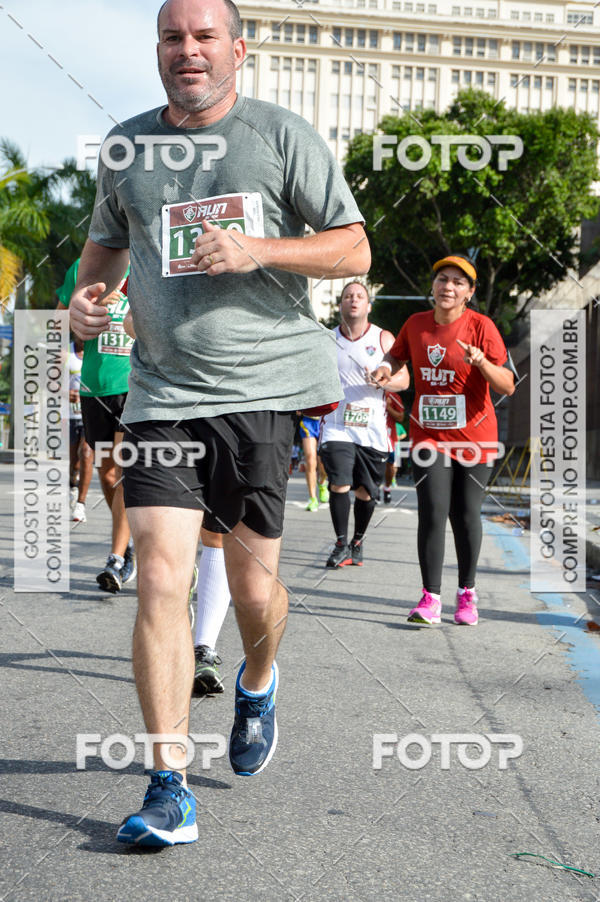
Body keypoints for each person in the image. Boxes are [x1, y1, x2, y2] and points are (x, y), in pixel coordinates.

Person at [69, 0, 370, 849]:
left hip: (264, 391)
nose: (188, 51)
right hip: (163, 392)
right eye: (173, 37)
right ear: (157, 49)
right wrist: (81, 305)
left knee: (248, 592)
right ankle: (168, 783)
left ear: (238, 49)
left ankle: (260, 679)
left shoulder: (280, 134)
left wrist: (259, 250)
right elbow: (104, 248)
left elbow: (354, 247)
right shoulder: (125, 147)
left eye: (205, 37)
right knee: (161, 578)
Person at [371, 254, 515, 626]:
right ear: (432, 287)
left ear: (468, 293)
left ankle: (467, 594)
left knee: (465, 515)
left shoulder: (482, 327)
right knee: (433, 511)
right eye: (442, 279)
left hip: (475, 437)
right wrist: (386, 369)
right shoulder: (416, 324)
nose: (448, 286)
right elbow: (397, 355)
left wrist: (482, 363)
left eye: (457, 282)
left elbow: (508, 385)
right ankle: (430, 598)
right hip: (428, 436)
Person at [57, 260, 136, 593]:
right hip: (94, 387)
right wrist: (85, 313)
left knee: (124, 471)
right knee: (107, 472)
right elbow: (58, 322)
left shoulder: (153, 259)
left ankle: (116, 558)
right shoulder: (84, 267)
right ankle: (128, 543)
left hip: (135, 385)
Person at [320, 281, 408, 568]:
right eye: (347, 296)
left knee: (365, 492)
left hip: (372, 428)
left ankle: (357, 541)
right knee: (340, 482)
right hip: (337, 426)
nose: (353, 300)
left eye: (359, 296)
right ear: (341, 305)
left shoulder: (383, 339)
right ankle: (340, 543)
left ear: (368, 306)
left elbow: (404, 380)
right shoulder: (327, 339)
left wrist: (385, 380)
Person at [68, 338, 94, 522]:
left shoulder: (97, 352)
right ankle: (72, 485)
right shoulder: (64, 354)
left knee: (86, 453)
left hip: (90, 411)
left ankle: (80, 505)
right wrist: (64, 393)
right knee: (74, 462)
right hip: (69, 414)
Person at [298, 415, 329, 511]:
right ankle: (312, 498)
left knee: (323, 463)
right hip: (308, 421)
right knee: (310, 459)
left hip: (325, 420)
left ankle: (322, 482)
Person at [382, 392, 406, 504]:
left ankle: (387, 487)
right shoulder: (366, 391)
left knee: (390, 465)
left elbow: (400, 417)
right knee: (372, 463)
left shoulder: (394, 396)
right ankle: (372, 489)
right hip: (371, 435)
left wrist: (387, 407)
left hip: (390, 437)